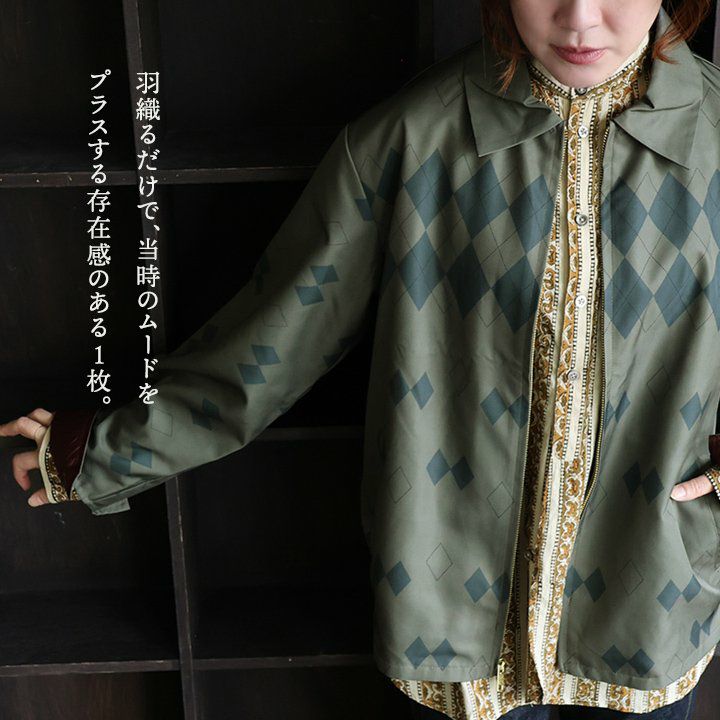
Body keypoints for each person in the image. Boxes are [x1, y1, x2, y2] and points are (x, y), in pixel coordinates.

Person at [3, 1, 720, 719]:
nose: (581, 19)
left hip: (652, 605)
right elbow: (273, 345)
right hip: (451, 625)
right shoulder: (413, 136)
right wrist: (105, 451)